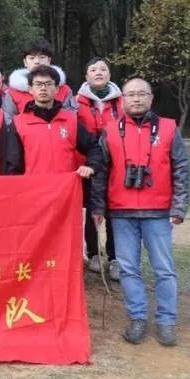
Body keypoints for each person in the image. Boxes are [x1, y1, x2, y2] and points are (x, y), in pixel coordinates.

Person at [90, 78, 190, 347]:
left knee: (164, 269)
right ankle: (137, 318)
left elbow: (181, 168)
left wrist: (179, 206)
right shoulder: (111, 130)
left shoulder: (168, 128)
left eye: (141, 94)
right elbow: (101, 172)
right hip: (122, 212)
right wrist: (98, 207)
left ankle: (166, 321)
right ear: (122, 99)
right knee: (128, 269)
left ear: (151, 98)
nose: (136, 99)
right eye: (130, 94)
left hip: (158, 211)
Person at [3, 66, 95, 177]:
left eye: (48, 84)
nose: (43, 88)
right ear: (30, 89)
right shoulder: (18, 123)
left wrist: (91, 166)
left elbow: (94, 146)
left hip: (66, 186)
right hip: (35, 186)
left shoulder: (71, 120)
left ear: (56, 89)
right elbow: (13, 166)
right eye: (38, 84)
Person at [77, 57, 122, 280]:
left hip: (116, 163)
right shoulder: (76, 102)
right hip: (87, 164)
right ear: (86, 76)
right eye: (93, 69)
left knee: (114, 210)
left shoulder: (122, 101)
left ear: (109, 75)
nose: (98, 72)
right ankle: (94, 253)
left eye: (103, 69)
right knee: (90, 209)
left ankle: (115, 257)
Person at [3, 39, 75, 116]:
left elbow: (71, 117)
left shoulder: (65, 90)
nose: (37, 61)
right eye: (32, 58)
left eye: (42, 57)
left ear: (49, 60)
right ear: (25, 62)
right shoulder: (13, 92)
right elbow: (8, 118)